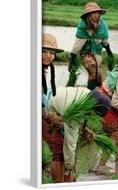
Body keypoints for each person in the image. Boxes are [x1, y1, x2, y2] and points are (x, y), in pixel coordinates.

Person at [47, 87, 112, 182]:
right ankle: (59, 183)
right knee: (59, 152)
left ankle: (67, 180)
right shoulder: (73, 112)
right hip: (49, 108)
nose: (93, 116)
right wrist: (69, 166)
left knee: (68, 154)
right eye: (94, 113)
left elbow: (81, 117)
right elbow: (70, 142)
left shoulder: (87, 95)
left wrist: (85, 129)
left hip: (60, 107)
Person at [67, 2, 114, 89]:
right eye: (92, 13)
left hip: (97, 53)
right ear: (88, 15)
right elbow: (77, 46)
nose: (95, 15)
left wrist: (110, 53)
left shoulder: (103, 26)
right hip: (86, 53)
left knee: (98, 77)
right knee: (93, 72)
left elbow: (105, 42)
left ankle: (96, 94)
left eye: (97, 13)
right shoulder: (83, 26)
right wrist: (72, 59)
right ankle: (90, 94)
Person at [41, 33, 65, 183]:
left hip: (44, 113)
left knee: (61, 146)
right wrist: (49, 116)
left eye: (52, 53)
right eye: (44, 51)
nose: (48, 56)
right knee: (58, 148)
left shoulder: (43, 70)